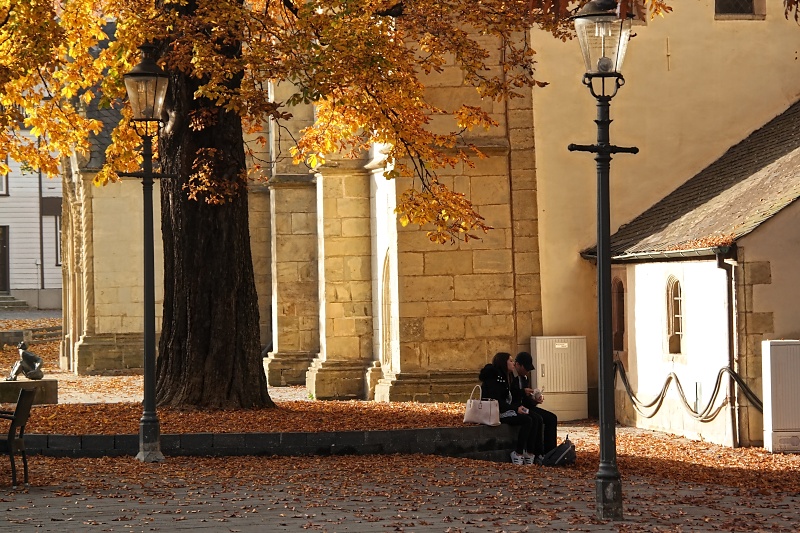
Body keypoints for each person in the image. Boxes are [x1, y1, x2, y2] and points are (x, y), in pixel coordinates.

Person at [479, 352, 543, 465]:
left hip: (506, 408)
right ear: (504, 362)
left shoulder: (507, 376)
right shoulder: (495, 378)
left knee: (534, 418)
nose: (513, 364)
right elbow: (497, 400)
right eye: (510, 361)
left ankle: (529, 452)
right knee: (527, 420)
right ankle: (518, 453)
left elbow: (511, 393)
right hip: (496, 412)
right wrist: (515, 408)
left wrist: (523, 393)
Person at [511, 351, 558, 455]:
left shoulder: (524, 378)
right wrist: (523, 392)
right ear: (518, 365)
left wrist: (534, 400)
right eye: (525, 369)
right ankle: (538, 453)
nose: (527, 372)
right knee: (537, 419)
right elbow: (511, 395)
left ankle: (550, 452)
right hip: (517, 407)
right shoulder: (511, 378)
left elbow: (526, 400)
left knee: (552, 418)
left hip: (526, 406)